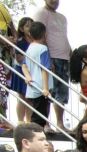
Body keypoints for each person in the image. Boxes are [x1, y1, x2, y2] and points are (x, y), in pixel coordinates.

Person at [33, 0, 70, 132]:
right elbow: (40, 36)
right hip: (51, 56)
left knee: (62, 92)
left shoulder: (62, 17)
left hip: (64, 57)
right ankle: (45, 123)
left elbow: (64, 37)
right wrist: (47, 58)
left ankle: (60, 123)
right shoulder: (41, 13)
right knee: (48, 91)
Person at [20, 22, 51, 128]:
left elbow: (23, 65)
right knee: (40, 116)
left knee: (38, 112)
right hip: (41, 86)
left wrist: (27, 76)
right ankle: (35, 134)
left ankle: (35, 132)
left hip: (33, 83)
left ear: (30, 35)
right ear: (44, 34)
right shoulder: (43, 48)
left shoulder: (30, 48)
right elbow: (44, 68)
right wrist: (46, 89)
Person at [9, 17, 32, 123]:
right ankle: (20, 121)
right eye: (27, 25)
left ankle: (29, 121)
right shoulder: (21, 41)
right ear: (22, 29)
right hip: (21, 70)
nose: (30, 27)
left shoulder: (35, 41)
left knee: (30, 98)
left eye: (32, 25)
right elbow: (19, 58)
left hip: (32, 71)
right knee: (22, 97)